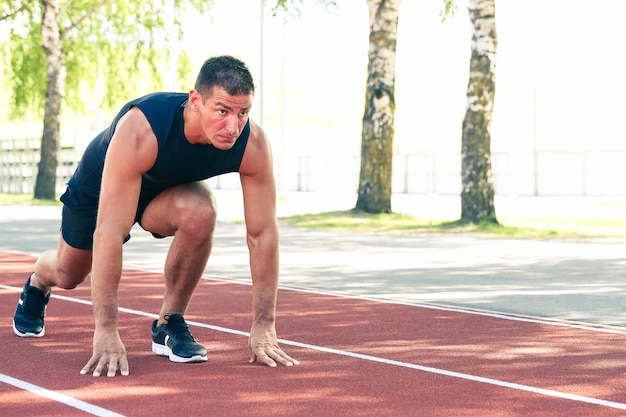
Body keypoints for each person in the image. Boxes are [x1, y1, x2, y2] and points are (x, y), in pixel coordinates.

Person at [12, 55, 299, 376]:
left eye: (242, 112)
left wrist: (264, 324)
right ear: (195, 102)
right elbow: (109, 232)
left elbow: (262, 234)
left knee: (201, 211)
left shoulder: (252, 144)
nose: (233, 126)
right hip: (100, 188)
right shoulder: (142, 128)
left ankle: (169, 322)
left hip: (162, 195)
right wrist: (106, 329)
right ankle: (39, 280)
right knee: (68, 274)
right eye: (222, 111)